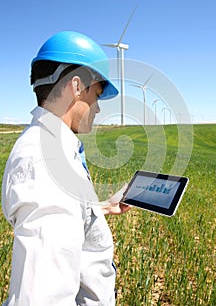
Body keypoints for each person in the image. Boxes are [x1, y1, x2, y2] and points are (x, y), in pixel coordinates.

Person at [2, 31, 131, 306]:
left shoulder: (51, 148)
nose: (97, 109)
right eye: (96, 94)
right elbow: (40, 298)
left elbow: (65, 211)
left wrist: (101, 206)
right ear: (76, 86)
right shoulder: (46, 163)